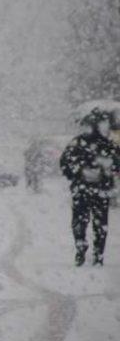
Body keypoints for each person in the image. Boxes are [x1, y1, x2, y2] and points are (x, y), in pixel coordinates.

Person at [60, 109, 120, 267]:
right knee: (99, 223)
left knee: (82, 221)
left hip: (85, 189)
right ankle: (96, 253)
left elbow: (65, 164)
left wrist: (78, 172)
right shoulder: (105, 144)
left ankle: (84, 248)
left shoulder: (79, 143)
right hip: (98, 189)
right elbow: (116, 164)